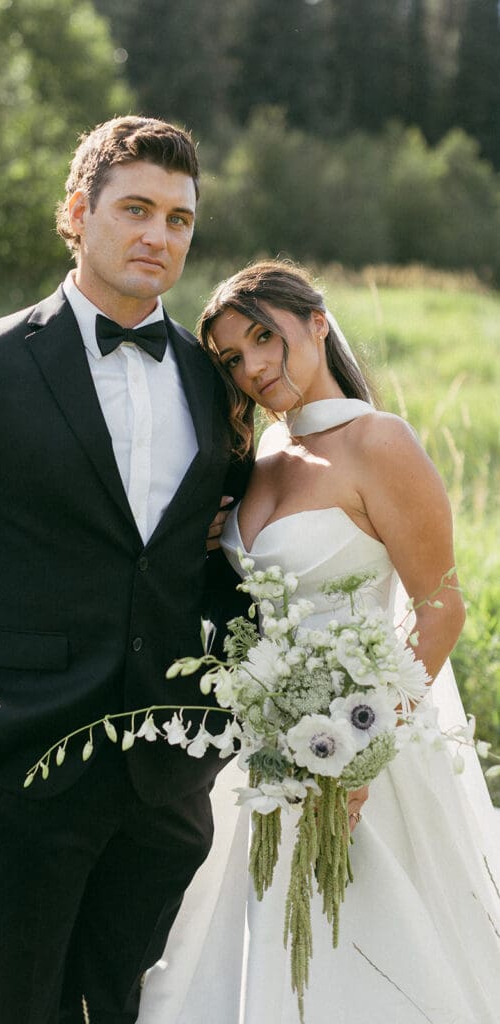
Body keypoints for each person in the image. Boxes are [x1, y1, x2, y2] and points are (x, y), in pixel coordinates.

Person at [0, 116, 250, 1024]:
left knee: (133, 1006)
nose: (159, 236)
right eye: (137, 209)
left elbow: (225, 560)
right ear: (78, 212)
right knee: (13, 1007)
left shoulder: (215, 377)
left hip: (172, 775)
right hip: (22, 753)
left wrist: (228, 714)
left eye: (180, 219)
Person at [136, 259, 500, 1024]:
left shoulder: (379, 442)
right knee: (260, 936)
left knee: (364, 942)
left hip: (368, 747)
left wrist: (365, 750)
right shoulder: (257, 459)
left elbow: (440, 611)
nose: (254, 366)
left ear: (317, 323)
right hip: (267, 747)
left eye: (265, 337)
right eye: (233, 358)